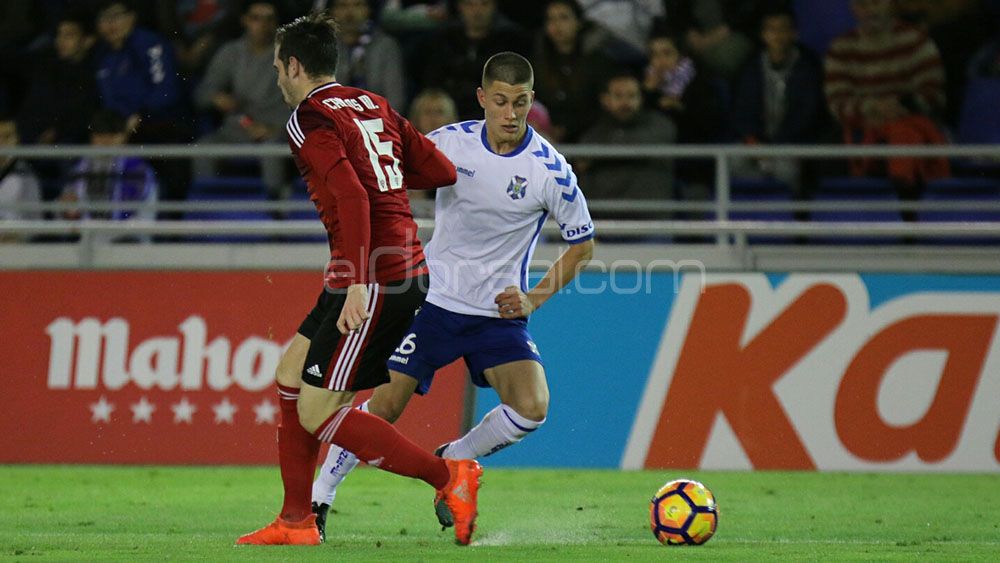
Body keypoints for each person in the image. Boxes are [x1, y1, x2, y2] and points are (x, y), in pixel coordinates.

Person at [310, 51, 595, 540]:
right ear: (482, 98)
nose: (511, 114)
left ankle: (456, 459)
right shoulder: (447, 144)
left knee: (532, 407)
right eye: (501, 101)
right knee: (384, 407)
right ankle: (320, 498)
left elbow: (582, 246)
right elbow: (382, 183)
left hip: (496, 315)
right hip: (432, 302)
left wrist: (533, 299)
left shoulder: (550, 169)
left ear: (532, 101)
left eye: (521, 103)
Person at [236, 12, 481, 547]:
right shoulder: (372, 104)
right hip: (382, 270)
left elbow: (349, 195)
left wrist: (357, 280)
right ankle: (296, 521)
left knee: (319, 410)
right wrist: (386, 178)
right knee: (289, 373)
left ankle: (451, 476)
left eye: (279, 66)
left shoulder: (309, 117)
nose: (277, 76)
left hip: (376, 277)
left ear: (295, 66)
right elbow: (439, 171)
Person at [825, 0, 950, 200]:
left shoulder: (916, 40)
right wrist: (872, 108)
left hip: (907, 125)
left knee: (908, 138)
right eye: (863, 4)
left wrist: (899, 107)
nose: (870, 10)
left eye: (876, 3)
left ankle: (907, 204)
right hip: (862, 130)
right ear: (853, 8)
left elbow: (933, 92)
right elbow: (837, 102)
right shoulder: (840, 48)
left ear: (889, 4)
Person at [193, 0, 288, 197]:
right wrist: (216, 97)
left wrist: (275, 129)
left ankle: (276, 213)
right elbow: (201, 93)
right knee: (203, 148)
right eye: (256, 18)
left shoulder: (291, 55)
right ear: (244, 20)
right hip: (237, 129)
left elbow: (304, 102)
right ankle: (205, 210)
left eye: (269, 19)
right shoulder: (231, 52)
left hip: (277, 131)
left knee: (271, 151)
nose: (263, 25)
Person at [731, 8, 826, 197]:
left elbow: (807, 115)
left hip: (791, 144)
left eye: (783, 29)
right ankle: (753, 215)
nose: (777, 35)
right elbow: (742, 110)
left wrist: (776, 145)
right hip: (756, 143)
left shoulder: (808, 67)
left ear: (794, 33)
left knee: (785, 169)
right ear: (763, 35)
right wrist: (753, 141)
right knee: (732, 160)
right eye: (771, 29)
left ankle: (787, 218)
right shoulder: (751, 66)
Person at [58, 110, 159, 243]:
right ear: (92, 138)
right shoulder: (81, 167)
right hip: (90, 239)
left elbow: (136, 216)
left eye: (111, 136)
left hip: (129, 238)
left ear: (122, 137)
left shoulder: (137, 168)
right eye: (99, 136)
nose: (104, 142)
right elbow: (69, 211)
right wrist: (68, 209)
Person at [421, 0, 529, 120]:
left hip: (495, 107)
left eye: (484, 4)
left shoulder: (512, 39)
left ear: (494, 6)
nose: (477, 11)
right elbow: (433, 81)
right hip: (450, 110)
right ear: (460, 6)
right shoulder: (443, 39)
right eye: (470, 4)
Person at [580, 72, 676, 202]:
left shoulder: (659, 125)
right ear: (605, 100)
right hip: (605, 214)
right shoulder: (594, 132)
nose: (625, 103)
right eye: (618, 96)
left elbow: (647, 142)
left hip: (650, 213)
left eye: (632, 96)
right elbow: (582, 160)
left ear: (641, 99)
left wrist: (601, 154)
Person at [18, 11, 100, 146]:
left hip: (70, 146)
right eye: (59, 34)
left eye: (69, 35)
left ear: (88, 41)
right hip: (32, 141)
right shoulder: (46, 65)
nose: (60, 41)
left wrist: (58, 132)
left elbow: (84, 116)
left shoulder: (94, 74)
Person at [330, 0, 407, 110]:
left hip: (378, 120)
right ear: (333, 11)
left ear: (368, 10)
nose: (350, 13)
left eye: (358, 5)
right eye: (343, 6)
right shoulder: (323, 46)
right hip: (335, 119)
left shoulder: (386, 46)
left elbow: (395, 98)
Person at [0, 116, 41, 242]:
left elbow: (35, 220)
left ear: (16, 139)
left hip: (14, 244)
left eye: (6, 137)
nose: (1, 142)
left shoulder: (25, 176)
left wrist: (15, 236)